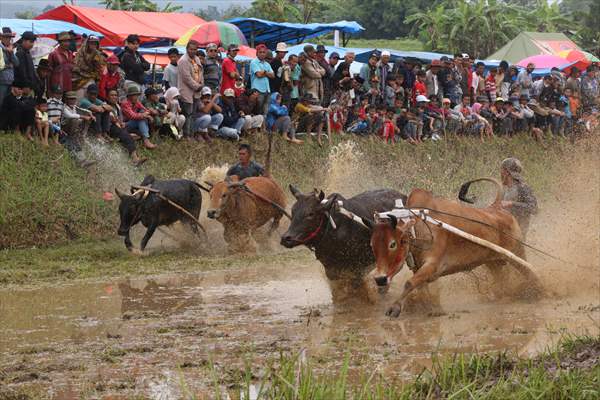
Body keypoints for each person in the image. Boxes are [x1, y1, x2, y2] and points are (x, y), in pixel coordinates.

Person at [105, 88, 147, 166]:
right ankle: (135, 159)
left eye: (115, 95)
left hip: (119, 125)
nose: (114, 97)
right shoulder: (106, 105)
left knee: (139, 133)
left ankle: (121, 138)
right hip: (111, 127)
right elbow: (113, 120)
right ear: (107, 97)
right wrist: (123, 128)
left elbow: (120, 119)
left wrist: (122, 124)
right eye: (112, 95)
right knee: (128, 136)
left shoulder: (117, 106)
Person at [500, 157, 538, 237]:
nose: (500, 173)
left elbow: (534, 208)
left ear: (507, 172)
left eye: (502, 170)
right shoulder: (504, 190)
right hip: (504, 233)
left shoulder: (522, 187)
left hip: (518, 236)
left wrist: (511, 204)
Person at [177, 40, 204, 139]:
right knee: (187, 114)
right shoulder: (183, 60)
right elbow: (186, 78)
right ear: (187, 49)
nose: (193, 51)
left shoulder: (197, 58)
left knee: (193, 114)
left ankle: (192, 135)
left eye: (195, 49)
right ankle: (186, 135)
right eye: (191, 49)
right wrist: (198, 86)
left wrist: (201, 84)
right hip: (186, 91)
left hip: (196, 91)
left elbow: (200, 73)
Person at [121, 85, 156, 149]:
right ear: (129, 96)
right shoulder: (125, 103)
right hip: (125, 124)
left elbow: (145, 110)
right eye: (135, 95)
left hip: (133, 123)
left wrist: (147, 114)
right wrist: (145, 115)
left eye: (137, 95)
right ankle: (146, 140)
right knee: (141, 119)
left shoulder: (136, 102)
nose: (136, 97)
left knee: (142, 116)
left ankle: (143, 138)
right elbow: (132, 116)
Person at [250, 44, 274, 115]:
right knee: (258, 111)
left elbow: (273, 75)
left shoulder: (267, 64)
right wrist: (267, 73)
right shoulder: (254, 62)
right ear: (257, 53)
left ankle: (264, 126)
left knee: (265, 111)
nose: (262, 54)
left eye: (264, 52)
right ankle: (259, 126)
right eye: (260, 52)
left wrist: (264, 72)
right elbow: (259, 75)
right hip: (257, 90)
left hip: (267, 90)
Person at [0, 27, 18, 109]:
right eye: (6, 37)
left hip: (9, 81)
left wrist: (11, 53)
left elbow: (17, 63)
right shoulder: (1, 49)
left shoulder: (10, 49)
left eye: (10, 37)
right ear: (1, 37)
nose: (8, 39)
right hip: (1, 81)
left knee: (6, 105)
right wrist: (8, 66)